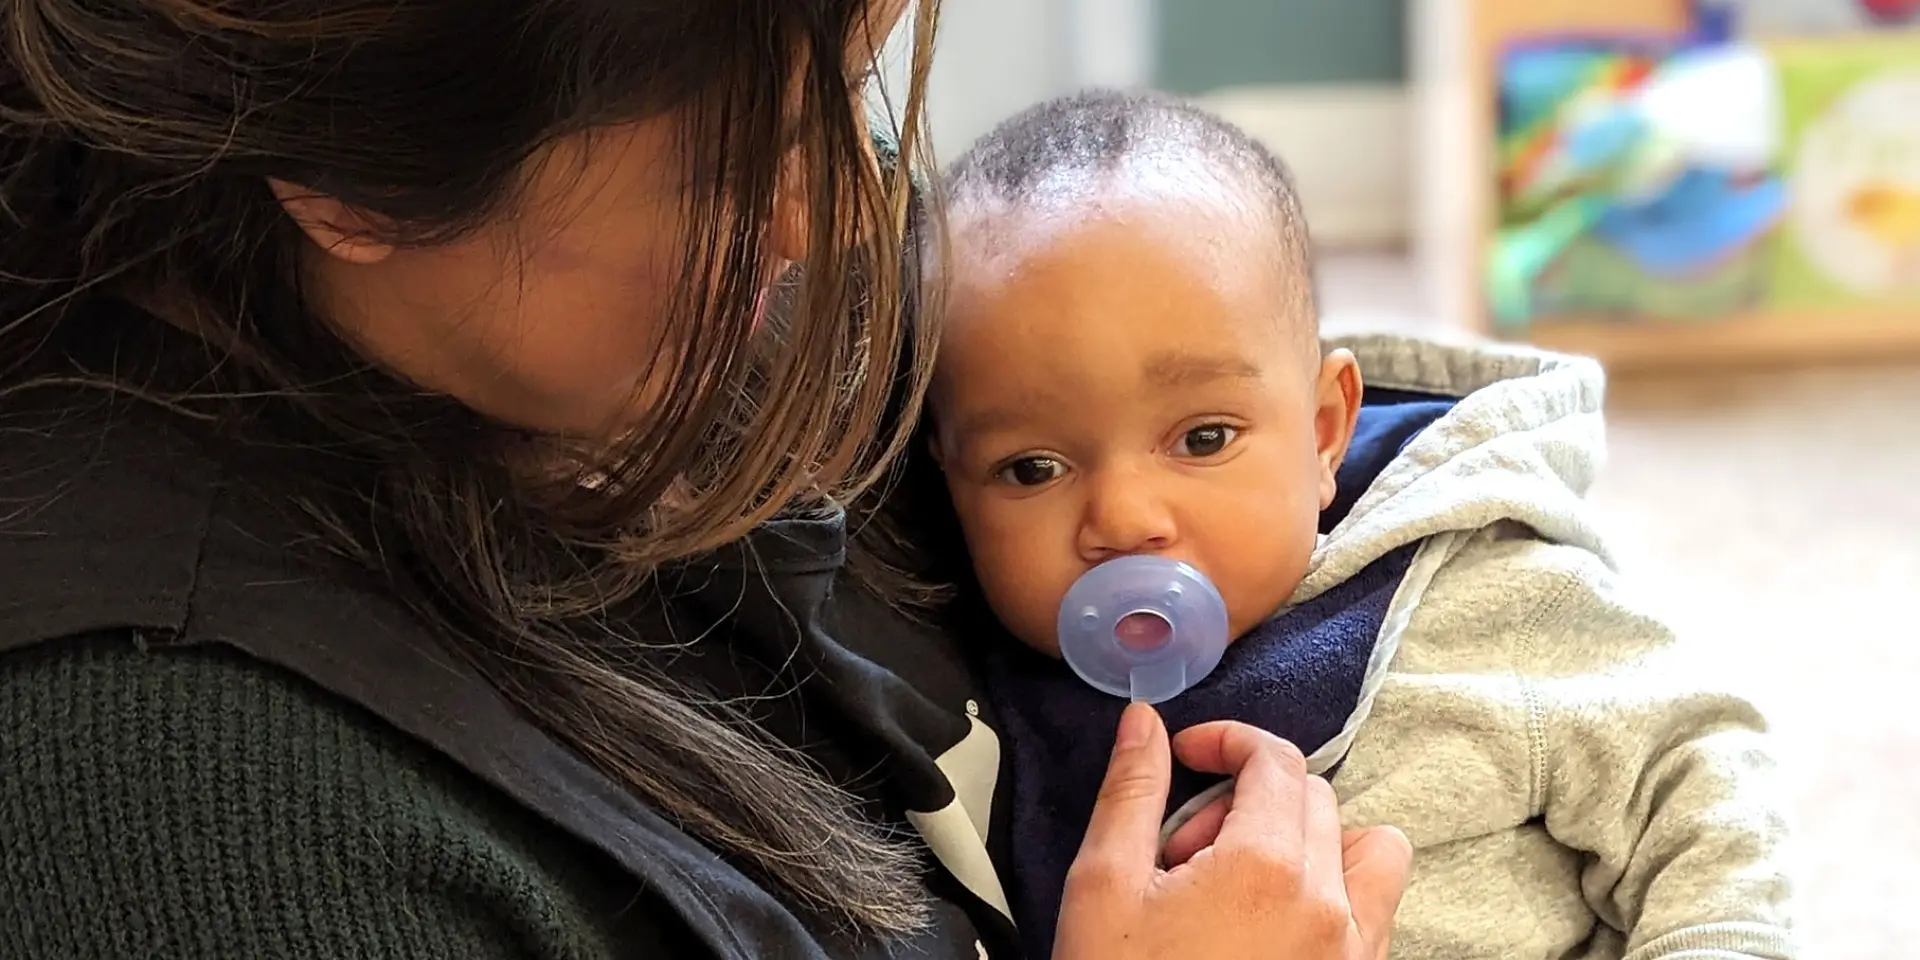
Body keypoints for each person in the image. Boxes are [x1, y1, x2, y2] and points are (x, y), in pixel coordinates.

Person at [0, 2, 1416, 959]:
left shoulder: (728, 284)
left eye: (845, 86)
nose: (840, 211)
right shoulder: (197, 826)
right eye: (728, 167)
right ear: (349, 186)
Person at [913, 89, 1798, 960]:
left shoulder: (1478, 591)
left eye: (1204, 438)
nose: (1124, 518)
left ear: (1324, 432)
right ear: (950, 482)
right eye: (1033, 468)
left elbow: (1694, 772)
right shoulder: (949, 701)